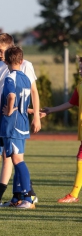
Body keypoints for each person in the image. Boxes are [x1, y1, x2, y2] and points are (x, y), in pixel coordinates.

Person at [0, 33, 41, 207]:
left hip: (12, 121)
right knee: (11, 157)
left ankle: (27, 195)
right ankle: (16, 197)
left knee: (14, 158)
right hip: (8, 120)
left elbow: (27, 93)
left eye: (1, 51)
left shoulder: (19, 70)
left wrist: (35, 114)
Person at [0, 46, 35, 209]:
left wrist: (10, 108)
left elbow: (11, 96)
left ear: (6, 60)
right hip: (23, 123)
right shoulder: (26, 78)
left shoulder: (9, 78)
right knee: (17, 158)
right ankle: (18, 198)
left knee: (17, 160)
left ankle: (29, 197)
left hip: (12, 125)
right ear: (21, 61)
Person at [41, 57, 82, 203]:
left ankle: (74, 195)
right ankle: (74, 194)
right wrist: (50, 110)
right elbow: (71, 103)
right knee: (80, 158)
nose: (80, 70)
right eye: (79, 67)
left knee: (80, 158)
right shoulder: (80, 85)